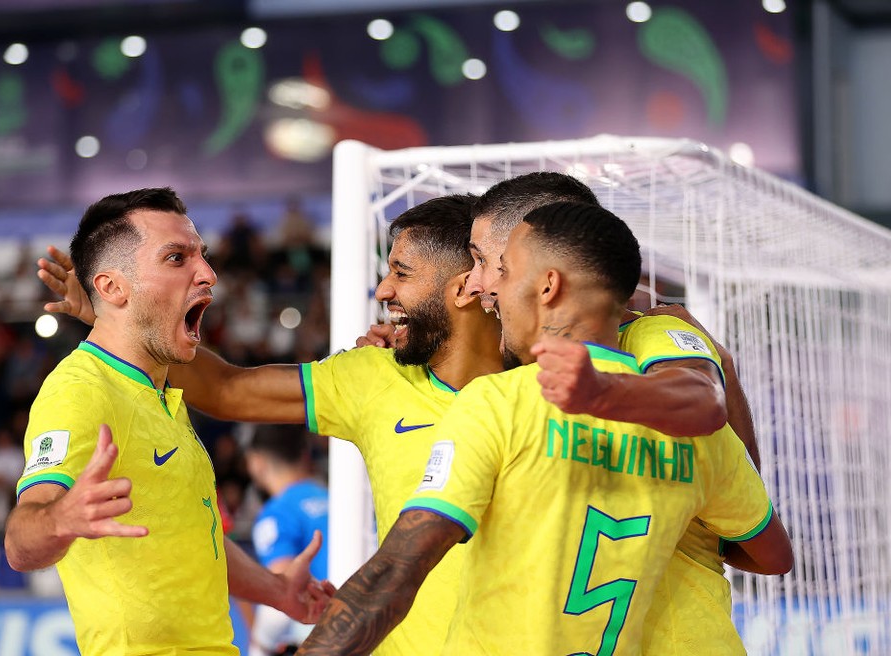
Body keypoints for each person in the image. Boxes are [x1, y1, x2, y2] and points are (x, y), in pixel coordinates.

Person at [35, 187, 740, 655]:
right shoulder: (372, 377)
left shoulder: (573, 376)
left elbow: (736, 507)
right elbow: (224, 387)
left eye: (400, 271)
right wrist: (117, 315)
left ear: (470, 282)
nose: (381, 291)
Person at [296, 202, 793, 655]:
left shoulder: (498, 403)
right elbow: (772, 555)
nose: (483, 287)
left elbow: (395, 575)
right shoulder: (697, 427)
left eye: (500, 270)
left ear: (548, 286)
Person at [4, 188, 331, 656]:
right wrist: (61, 518)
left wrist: (277, 591)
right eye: (177, 258)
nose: (208, 274)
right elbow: (20, 540)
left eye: (203, 255)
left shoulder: (162, 394)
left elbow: (197, 543)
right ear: (113, 287)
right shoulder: (80, 391)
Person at [459, 171, 767, 654]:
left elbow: (706, 405)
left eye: (484, 260)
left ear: (542, 264)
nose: (475, 279)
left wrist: (606, 391)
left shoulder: (652, 336)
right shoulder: (518, 359)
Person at [245, 425, 329, 656]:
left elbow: (284, 588)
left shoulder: (277, 514)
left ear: (257, 461)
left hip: (329, 632)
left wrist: (259, 648)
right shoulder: (333, 498)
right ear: (304, 455)